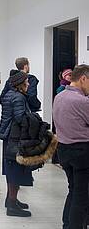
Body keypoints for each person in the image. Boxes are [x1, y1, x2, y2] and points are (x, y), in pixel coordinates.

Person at [53, 64, 89, 229]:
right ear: (83, 78)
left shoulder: (59, 96)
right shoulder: (82, 101)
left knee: (73, 190)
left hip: (63, 149)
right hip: (81, 152)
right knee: (82, 196)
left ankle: (66, 224)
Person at [0, 71, 33, 217]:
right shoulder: (18, 97)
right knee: (15, 170)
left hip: (9, 137)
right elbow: (20, 118)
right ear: (21, 84)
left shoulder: (9, 95)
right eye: (27, 81)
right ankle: (12, 204)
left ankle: (11, 199)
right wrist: (33, 119)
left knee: (11, 170)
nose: (29, 84)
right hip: (15, 138)